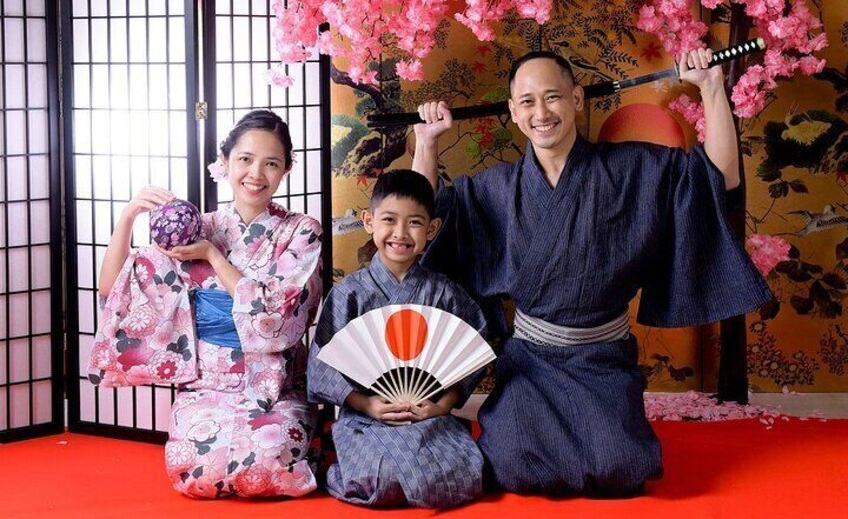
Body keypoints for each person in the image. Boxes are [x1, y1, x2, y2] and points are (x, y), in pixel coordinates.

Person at [412, 49, 773, 496]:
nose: (541, 113)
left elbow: (719, 177)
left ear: (577, 98)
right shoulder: (498, 189)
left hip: (602, 359)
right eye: (527, 102)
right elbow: (421, 217)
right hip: (530, 362)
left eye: (553, 97)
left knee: (620, 470)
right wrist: (426, 143)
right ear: (513, 112)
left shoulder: (630, 169)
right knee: (513, 469)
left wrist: (712, 86)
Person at [88, 110, 322, 498]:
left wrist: (214, 257)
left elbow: (277, 314)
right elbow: (115, 289)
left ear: (286, 169)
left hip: (273, 383)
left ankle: (298, 442)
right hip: (206, 382)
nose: (256, 174)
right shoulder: (196, 226)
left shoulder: (301, 231)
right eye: (245, 160)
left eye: (271, 163)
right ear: (224, 162)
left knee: (266, 466)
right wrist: (128, 217)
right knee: (194, 474)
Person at [307, 169, 488, 508]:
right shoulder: (349, 294)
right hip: (367, 419)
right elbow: (323, 362)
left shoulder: (445, 293)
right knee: (377, 481)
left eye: (415, 223)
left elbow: (470, 348)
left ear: (432, 229)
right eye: (389, 219)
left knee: (467, 475)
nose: (401, 234)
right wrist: (367, 404)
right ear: (369, 221)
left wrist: (441, 405)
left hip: (429, 416)